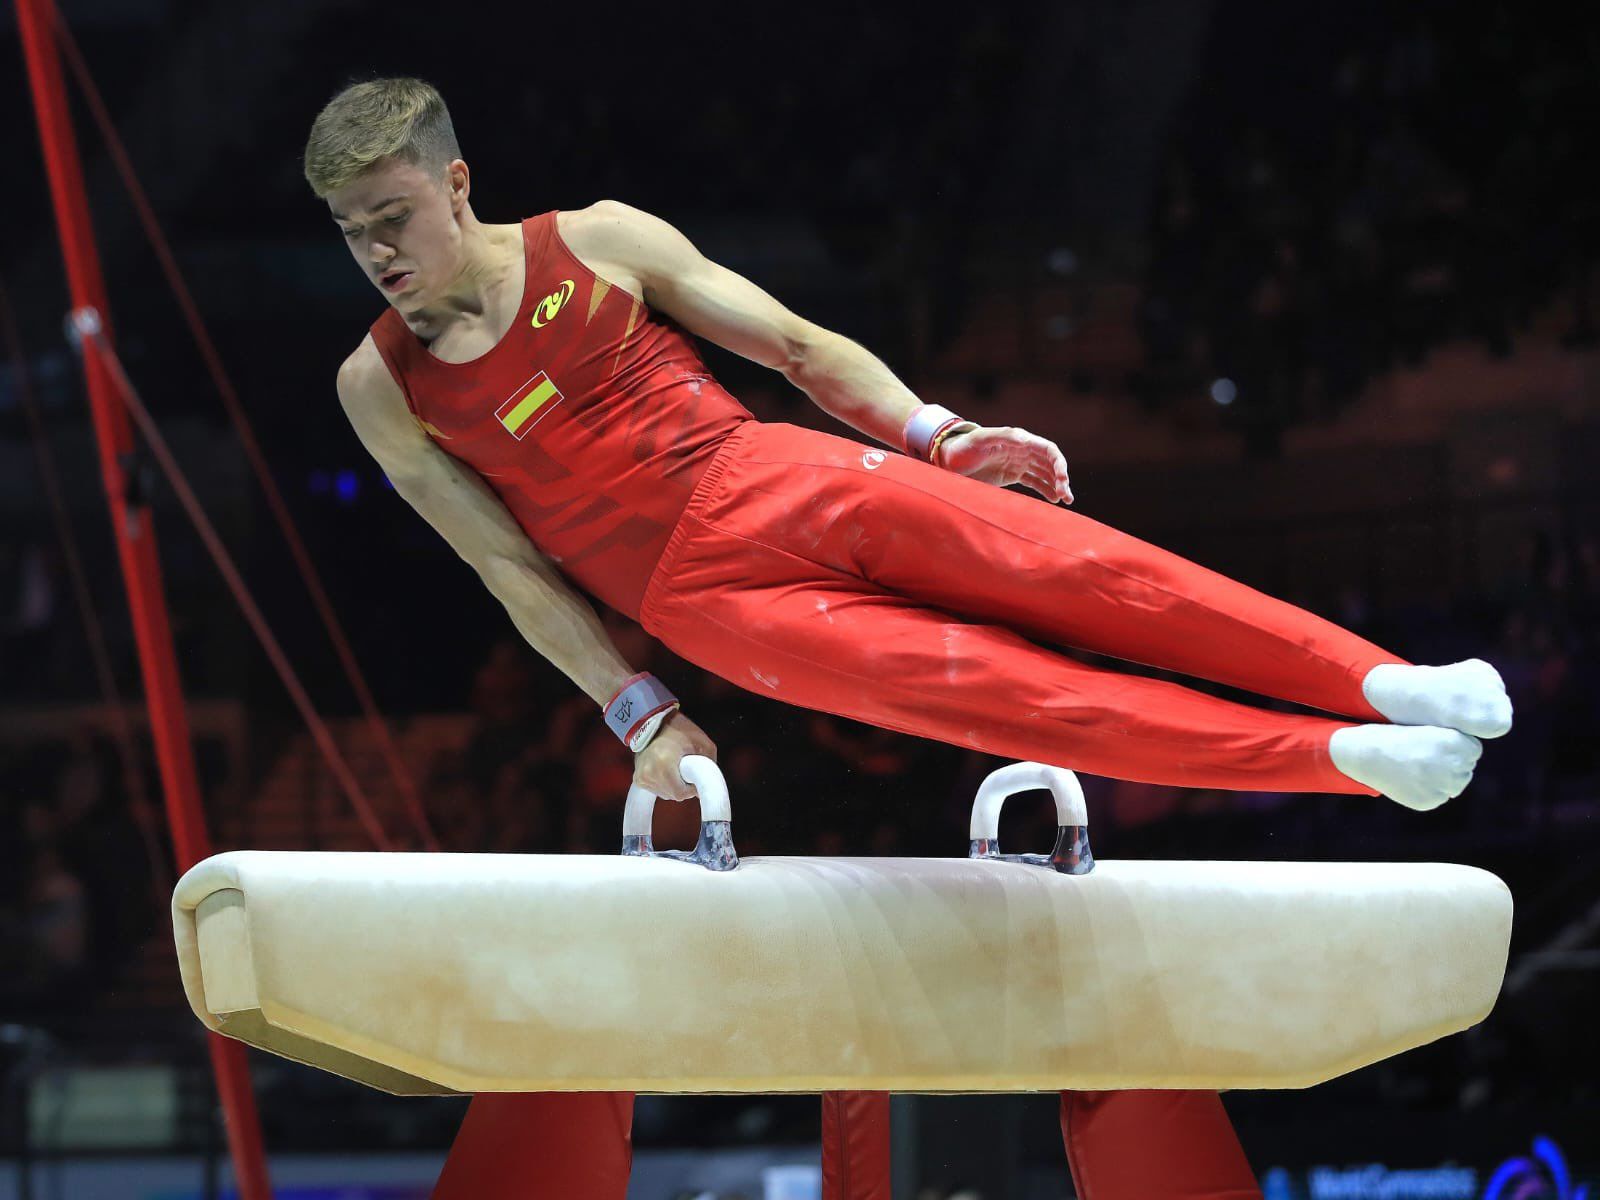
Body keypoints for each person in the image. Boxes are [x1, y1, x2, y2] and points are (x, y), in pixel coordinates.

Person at [304, 77, 1512, 1200]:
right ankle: (1336, 760)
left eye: (393, 216)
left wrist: (939, 436)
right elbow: (505, 565)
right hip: (711, 608)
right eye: (353, 232)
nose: (378, 255)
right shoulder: (384, 386)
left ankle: (1382, 682)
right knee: (1016, 699)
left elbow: (793, 345)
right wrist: (644, 716)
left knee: (1083, 571)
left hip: (772, 472)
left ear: (456, 183)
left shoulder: (600, 239)